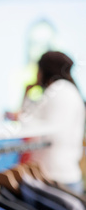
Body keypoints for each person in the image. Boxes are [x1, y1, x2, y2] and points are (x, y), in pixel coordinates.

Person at [21, 51, 85, 194]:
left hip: (54, 175)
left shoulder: (59, 91)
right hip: (63, 172)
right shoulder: (68, 90)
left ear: (44, 70)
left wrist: (26, 96)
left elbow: (46, 131)